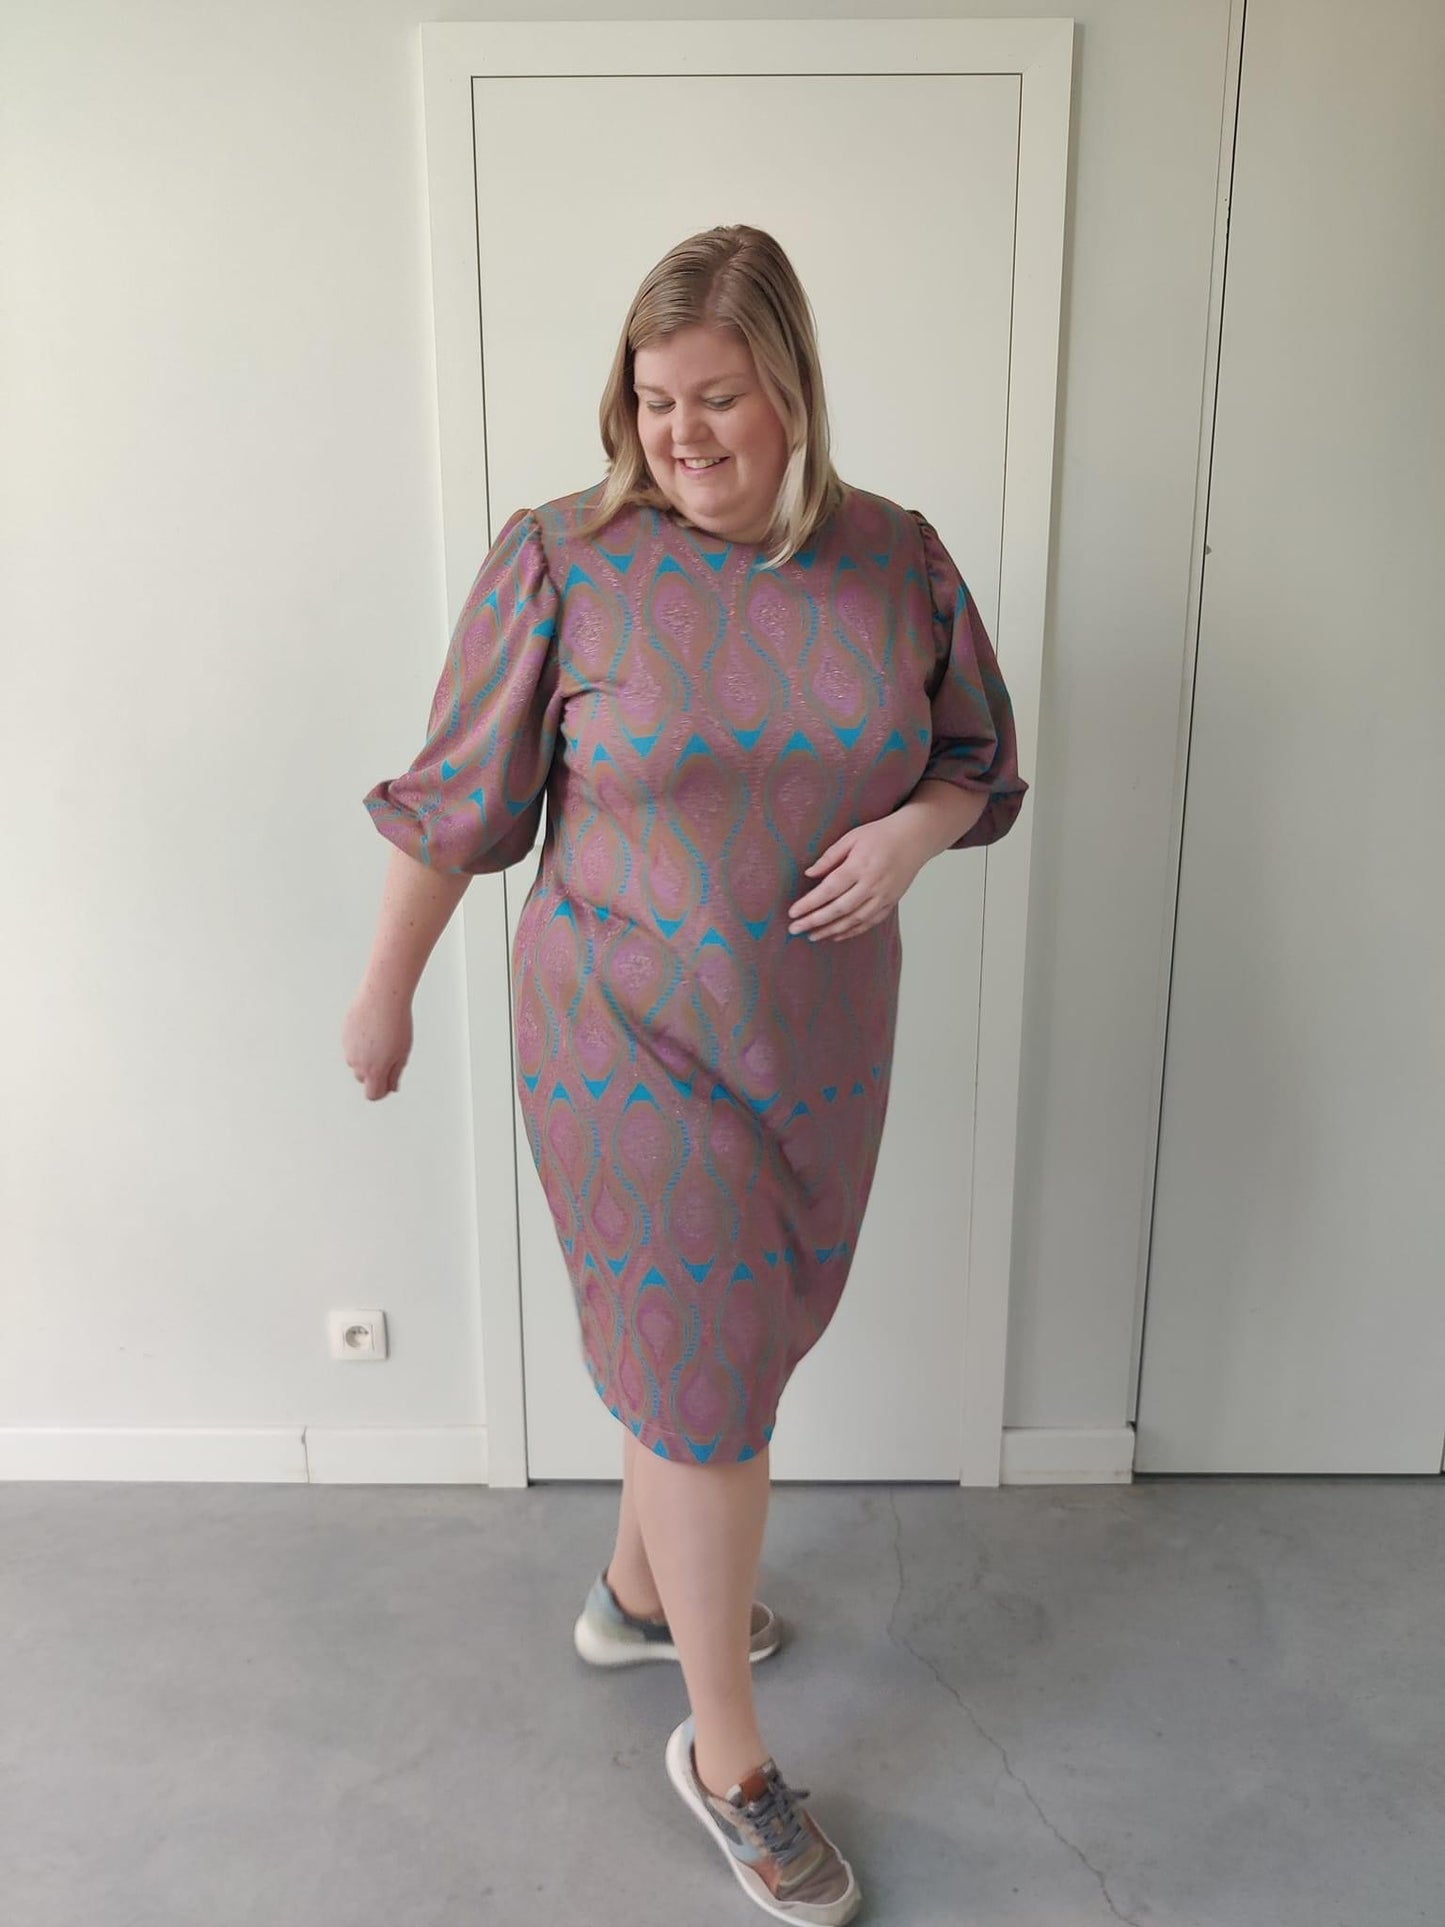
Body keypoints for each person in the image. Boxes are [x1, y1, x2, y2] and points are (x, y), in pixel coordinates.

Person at [343, 223, 1028, 1925]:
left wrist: (914, 835)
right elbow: (459, 804)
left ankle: (638, 1599)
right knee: (707, 1374)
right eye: (654, 400)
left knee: (725, 1351)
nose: (681, 433)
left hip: (816, 1040)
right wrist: (384, 993)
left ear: (790, 392)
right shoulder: (561, 560)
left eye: (716, 396)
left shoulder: (896, 559)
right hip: (622, 1034)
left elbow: (974, 756)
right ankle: (727, 1761)